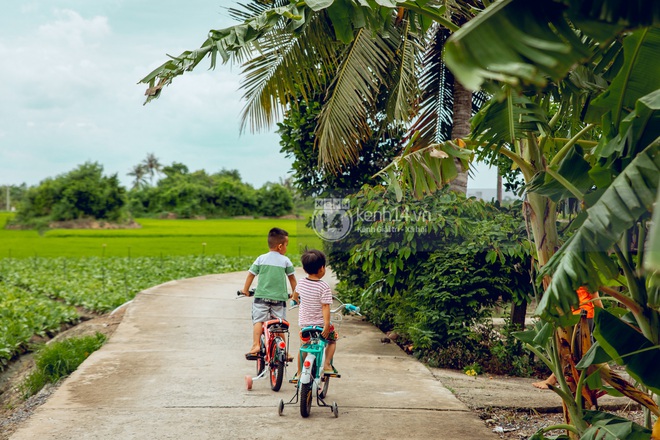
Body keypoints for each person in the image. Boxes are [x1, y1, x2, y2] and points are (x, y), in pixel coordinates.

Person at [532, 286, 603, 389]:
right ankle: (562, 380)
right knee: (567, 351)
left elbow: (596, 300)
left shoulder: (586, 273)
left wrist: (604, 322)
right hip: (567, 316)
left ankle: (566, 381)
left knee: (580, 353)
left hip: (583, 316)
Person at [241, 227, 297, 357]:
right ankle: (284, 352)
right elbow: (292, 279)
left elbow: (251, 274)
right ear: (280, 246)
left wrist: (245, 290)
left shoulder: (261, 258)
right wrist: (295, 295)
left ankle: (256, 345)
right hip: (279, 299)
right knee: (279, 324)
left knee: (259, 321)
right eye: (286, 245)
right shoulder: (286, 260)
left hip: (261, 298)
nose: (286, 248)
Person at [291, 249, 338, 380]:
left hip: (305, 325)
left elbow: (295, 296)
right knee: (332, 340)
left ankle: (299, 373)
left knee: (303, 348)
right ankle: (327, 364)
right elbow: (325, 306)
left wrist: (294, 300)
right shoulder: (324, 286)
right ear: (322, 268)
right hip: (320, 325)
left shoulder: (301, 283)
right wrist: (327, 325)